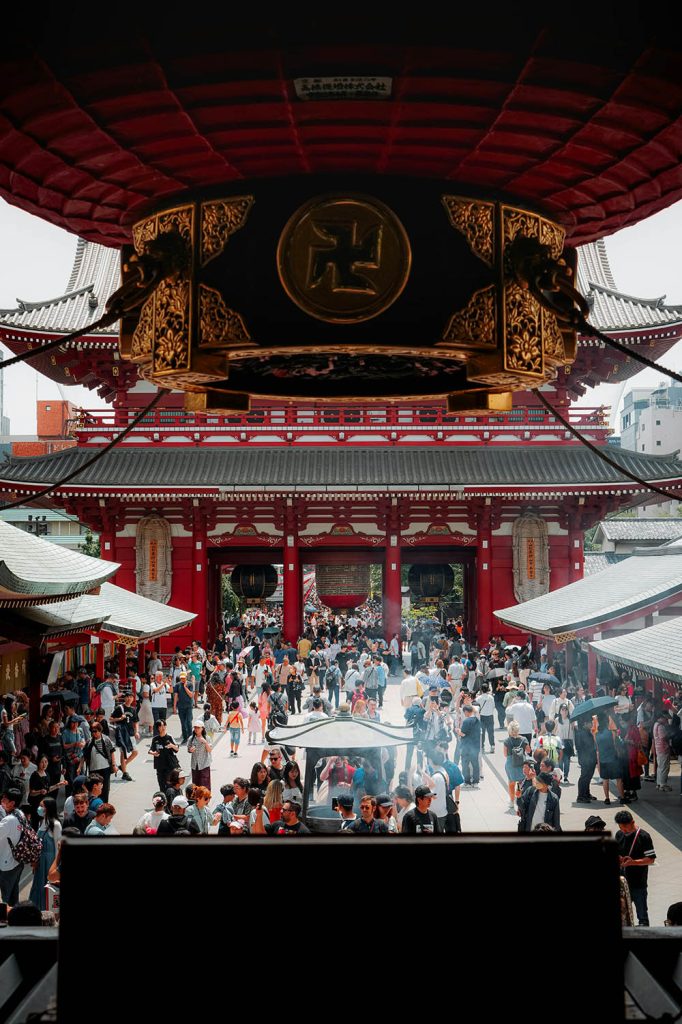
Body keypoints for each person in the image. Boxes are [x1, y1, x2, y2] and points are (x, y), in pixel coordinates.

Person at [615, 809, 656, 926]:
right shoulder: (619, 834)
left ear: (632, 822)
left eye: (625, 827)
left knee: (642, 917)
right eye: (620, 827)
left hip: (638, 883)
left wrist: (633, 862)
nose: (623, 830)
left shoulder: (644, 836)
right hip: (623, 882)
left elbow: (651, 859)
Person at [0, 789, 27, 905]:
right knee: (13, 895)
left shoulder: (8, 820)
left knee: (4, 899)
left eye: (5, 799)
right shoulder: (20, 814)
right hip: (17, 861)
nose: (2, 801)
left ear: (12, 803)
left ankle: (4, 921)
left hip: (8, 864)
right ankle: (14, 919)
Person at [594, 712, 626, 804]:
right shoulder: (612, 732)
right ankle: (622, 798)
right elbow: (616, 744)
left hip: (603, 759)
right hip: (613, 759)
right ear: (607, 722)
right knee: (619, 779)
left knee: (605, 780)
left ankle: (607, 799)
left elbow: (597, 748)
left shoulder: (596, 735)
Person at [503, 721, 529, 813]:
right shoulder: (524, 739)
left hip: (511, 764)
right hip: (522, 764)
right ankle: (520, 799)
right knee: (522, 783)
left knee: (511, 783)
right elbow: (528, 751)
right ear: (518, 729)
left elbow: (505, 754)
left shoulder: (507, 741)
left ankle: (511, 801)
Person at [149, 720, 180, 793]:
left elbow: (177, 749)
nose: (163, 727)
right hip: (159, 766)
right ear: (157, 728)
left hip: (170, 766)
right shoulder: (155, 739)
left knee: (170, 786)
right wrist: (153, 753)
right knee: (161, 785)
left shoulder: (169, 737)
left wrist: (171, 745)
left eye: (164, 725)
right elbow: (150, 750)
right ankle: (164, 802)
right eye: (160, 726)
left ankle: (171, 801)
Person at [459, 704, 481, 788]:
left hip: (466, 746)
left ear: (466, 712)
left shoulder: (466, 721)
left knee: (465, 764)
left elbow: (463, 733)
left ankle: (467, 782)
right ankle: (476, 782)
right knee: (475, 764)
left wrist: (458, 731)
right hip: (475, 746)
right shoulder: (477, 720)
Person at [188, 720, 212, 788]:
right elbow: (188, 749)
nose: (196, 729)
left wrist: (205, 742)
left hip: (204, 764)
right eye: (195, 727)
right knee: (195, 784)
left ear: (202, 728)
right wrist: (191, 750)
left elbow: (209, 750)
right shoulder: (191, 738)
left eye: (198, 727)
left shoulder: (207, 738)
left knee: (205, 784)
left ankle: (206, 798)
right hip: (195, 764)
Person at [173, 671, 195, 744]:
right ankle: (185, 738)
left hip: (188, 706)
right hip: (181, 706)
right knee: (183, 723)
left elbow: (191, 695)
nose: (183, 679)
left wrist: (185, 687)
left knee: (189, 721)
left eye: (184, 678)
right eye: (181, 678)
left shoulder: (190, 684)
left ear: (186, 677)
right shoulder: (177, 685)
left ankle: (190, 737)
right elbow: (176, 696)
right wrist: (174, 706)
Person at [476, 683, 496, 753]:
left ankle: (482, 747)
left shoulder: (478, 698)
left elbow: (477, 709)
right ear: (488, 689)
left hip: (482, 716)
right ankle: (492, 745)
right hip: (490, 716)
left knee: (482, 732)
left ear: (481, 689)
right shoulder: (491, 697)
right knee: (491, 732)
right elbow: (493, 706)